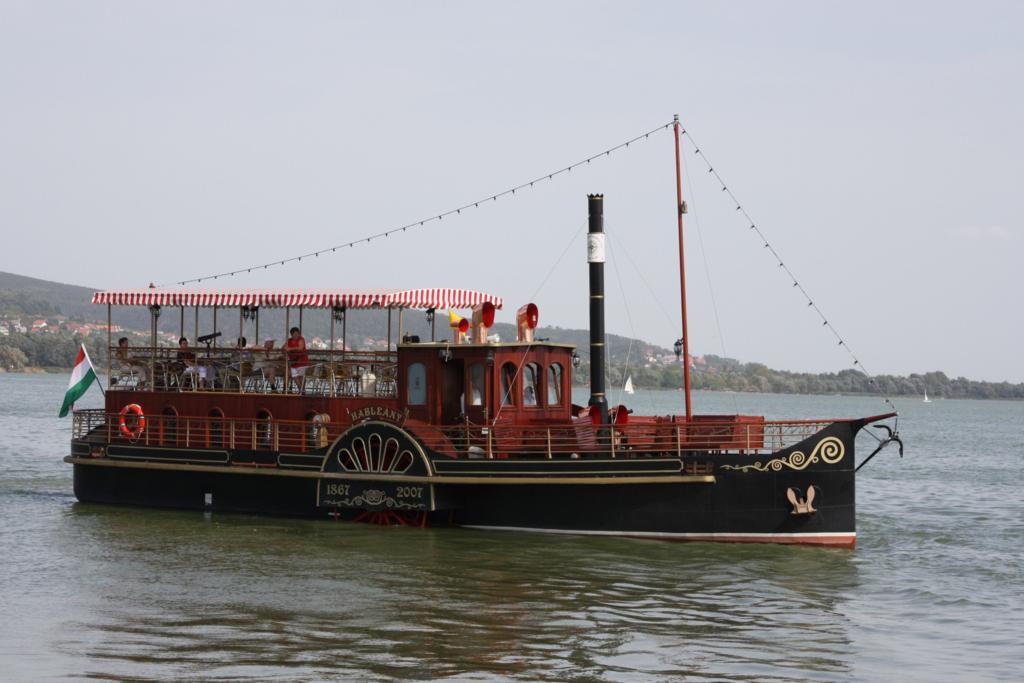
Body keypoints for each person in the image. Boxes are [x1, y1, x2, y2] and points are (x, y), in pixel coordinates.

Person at [285, 326, 309, 392]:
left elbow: (300, 348)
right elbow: (284, 347)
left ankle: (302, 390)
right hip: (293, 362)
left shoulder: (301, 339)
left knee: (301, 377)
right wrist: (286, 349)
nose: (296, 335)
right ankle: (301, 389)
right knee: (295, 376)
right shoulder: (289, 341)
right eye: (295, 334)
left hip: (302, 361)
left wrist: (290, 349)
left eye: (297, 334)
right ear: (291, 335)